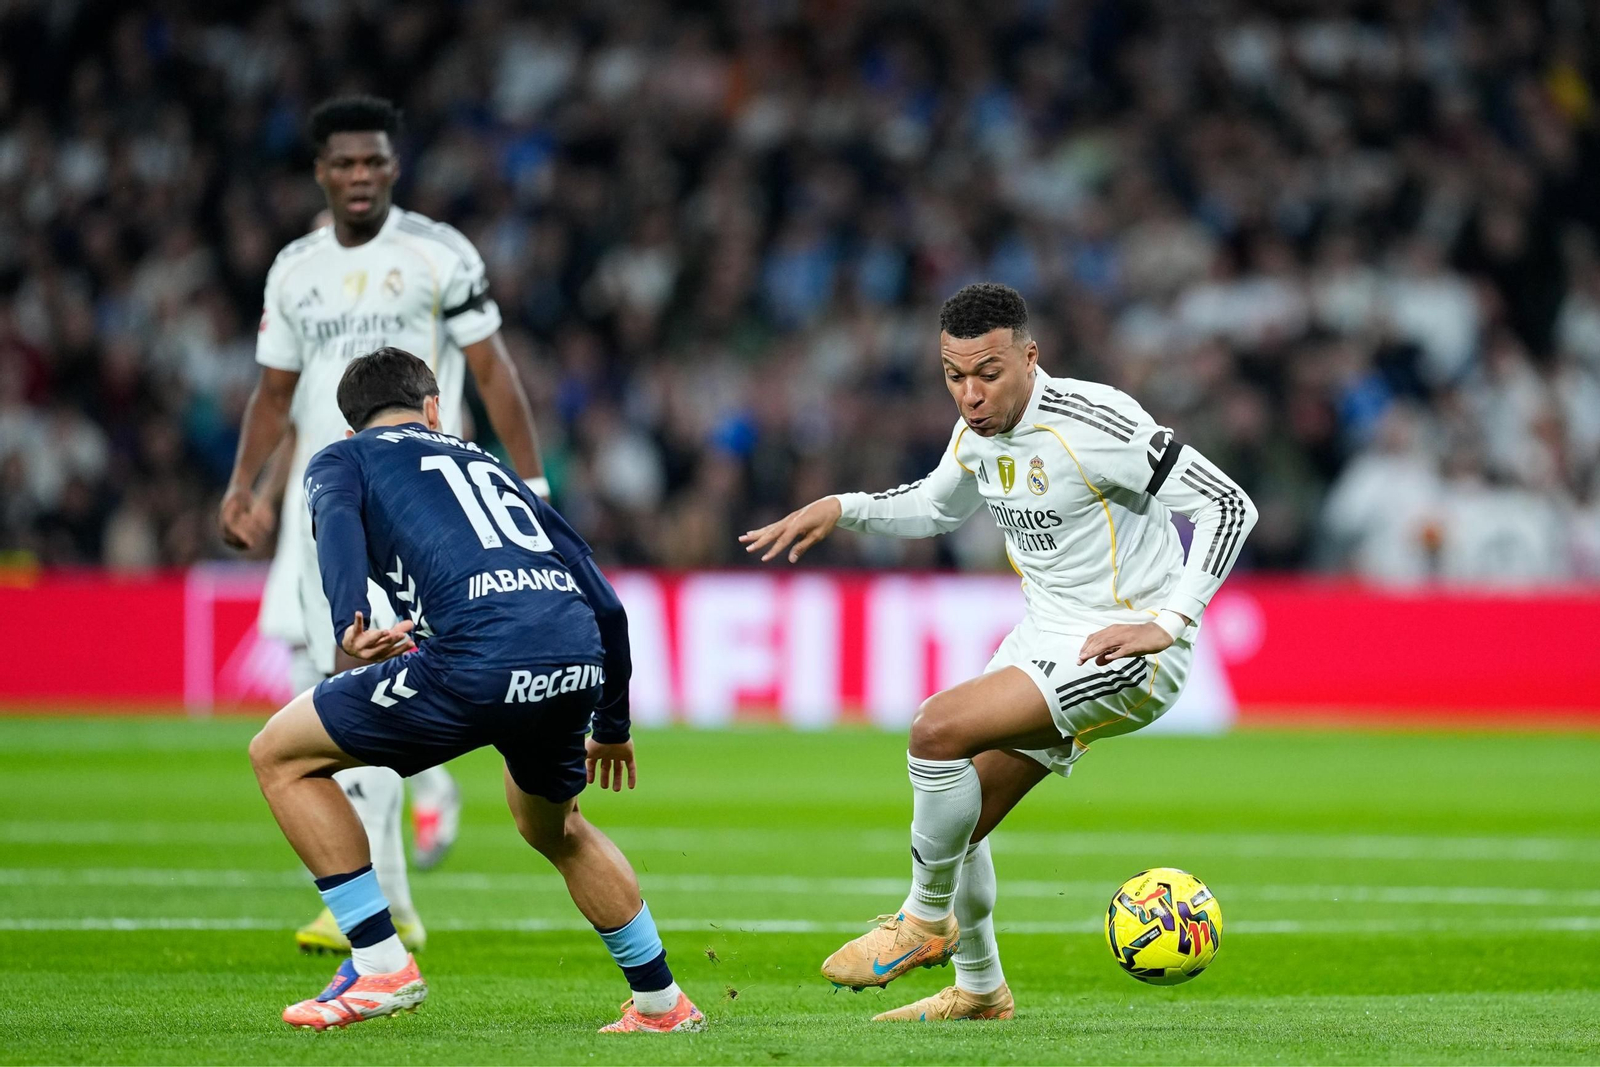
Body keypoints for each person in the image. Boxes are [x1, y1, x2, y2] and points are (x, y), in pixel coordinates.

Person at [741, 283, 1258, 1022]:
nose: (971, 394)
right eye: (954, 376)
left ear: (1029, 356)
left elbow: (1228, 504)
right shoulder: (976, 435)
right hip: (1042, 637)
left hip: (1122, 646)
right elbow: (934, 506)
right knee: (960, 815)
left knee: (935, 728)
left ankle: (923, 920)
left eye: (988, 373)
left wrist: (1172, 617)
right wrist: (843, 507)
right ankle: (982, 989)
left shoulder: (1095, 420)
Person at [249, 347, 705, 1033]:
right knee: (556, 826)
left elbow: (334, 526)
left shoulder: (345, 458)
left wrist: (351, 619)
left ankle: (378, 963)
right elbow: (607, 603)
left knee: (279, 752)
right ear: (434, 408)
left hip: (477, 656)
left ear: (351, 428)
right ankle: (662, 1003)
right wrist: (611, 723)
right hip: (572, 651)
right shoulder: (488, 464)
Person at [219, 95, 549, 953]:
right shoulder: (294, 269)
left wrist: (534, 480)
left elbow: (492, 368)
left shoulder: (437, 254)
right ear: (321, 171)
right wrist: (243, 483)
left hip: (421, 503)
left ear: (393, 167)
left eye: (375, 162)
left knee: (356, 682)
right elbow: (275, 392)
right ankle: (395, 883)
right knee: (321, 679)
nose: (361, 176)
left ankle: (379, 891)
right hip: (323, 501)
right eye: (345, 163)